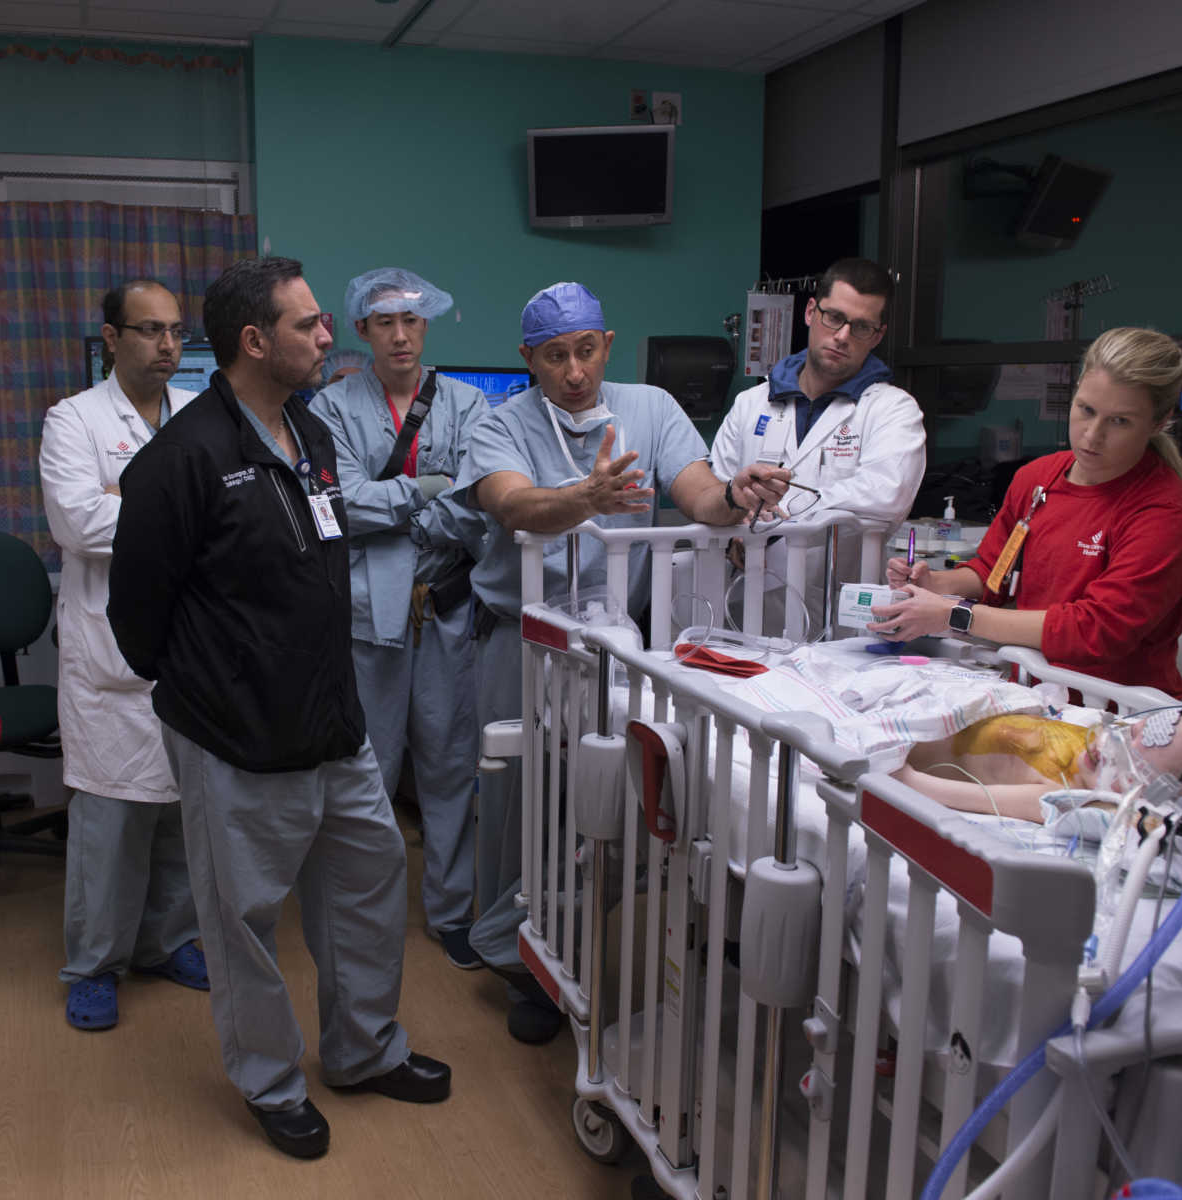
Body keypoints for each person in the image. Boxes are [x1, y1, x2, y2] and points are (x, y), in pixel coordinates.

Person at [107, 256, 451, 1162]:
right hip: (237, 738)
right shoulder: (179, 462)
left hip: (334, 725)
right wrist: (220, 688)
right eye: (308, 324)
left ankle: (366, 1048)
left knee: (371, 887)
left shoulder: (311, 433)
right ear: (256, 342)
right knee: (244, 923)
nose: (328, 334)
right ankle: (270, 1080)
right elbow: (137, 622)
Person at [451, 280, 742, 1044]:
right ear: (529, 360)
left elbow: (697, 492)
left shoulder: (649, 408)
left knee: (601, 801)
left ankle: (578, 940)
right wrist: (587, 494)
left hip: (614, 644)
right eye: (555, 356)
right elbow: (513, 505)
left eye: (586, 351)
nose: (574, 371)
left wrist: (735, 499)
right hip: (519, 635)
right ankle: (512, 956)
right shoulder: (500, 423)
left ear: (607, 346)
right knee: (518, 799)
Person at [309, 268, 490, 970]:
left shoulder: (469, 404)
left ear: (427, 326)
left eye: (411, 321)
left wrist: (410, 502)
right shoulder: (331, 408)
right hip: (368, 615)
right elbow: (341, 504)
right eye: (384, 322)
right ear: (362, 331)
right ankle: (362, 912)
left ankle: (449, 912)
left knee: (449, 766)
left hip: (445, 605)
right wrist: (429, 488)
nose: (400, 334)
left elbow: (476, 498)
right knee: (369, 771)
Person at [39, 279, 207, 1032]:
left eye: (175, 331)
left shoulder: (200, 418)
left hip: (188, 646)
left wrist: (131, 502)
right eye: (148, 331)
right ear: (111, 339)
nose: (167, 345)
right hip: (108, 656)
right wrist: (180, 513)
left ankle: (166, 941)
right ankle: (94, 965)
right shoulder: (72, 420)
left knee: (179, 810)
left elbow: (222, 510)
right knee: (110, 822)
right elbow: (79, 522)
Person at [873, 327, 1182, 698]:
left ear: (1158, 423)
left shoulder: (1164, 515)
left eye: (1120, 421)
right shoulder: (1038, 479)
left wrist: (953, 614)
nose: (1092, 436)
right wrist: (937, 585)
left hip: (1118, 716)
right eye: (1087, 410)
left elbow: (1095, 631)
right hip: (1034, 694)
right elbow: (991, 572)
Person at [710, 257, 925, 623]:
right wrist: (736, 521)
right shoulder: (751, 403)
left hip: (840, 618)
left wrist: (783, 512)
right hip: (743, 607)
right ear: (811, 312)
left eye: (860, 327)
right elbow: (715, 487)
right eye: (834, 318)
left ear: (877, 335)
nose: (842, 336)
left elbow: (885, 493)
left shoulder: (892, 410)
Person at [894, 707, 1182, 823]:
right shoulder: (1085, 744)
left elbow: (940, 791)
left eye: (1125, 759)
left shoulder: (1061, 795)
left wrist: (894, 771)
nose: (1107, 743)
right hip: (937, 710)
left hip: (907, 744)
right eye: (1128, 731)